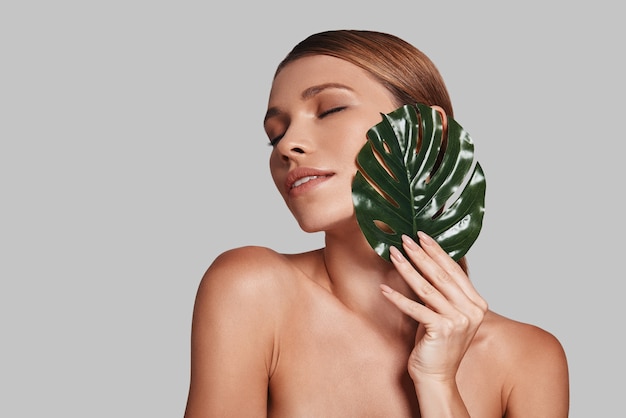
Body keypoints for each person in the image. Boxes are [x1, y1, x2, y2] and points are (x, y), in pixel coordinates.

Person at [183, 30, 569, 417]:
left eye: (330, 109)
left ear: (422, 132)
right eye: (275, 134)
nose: (287, 145)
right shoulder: (252, 291)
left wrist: (437, 384)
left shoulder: (529, 360)